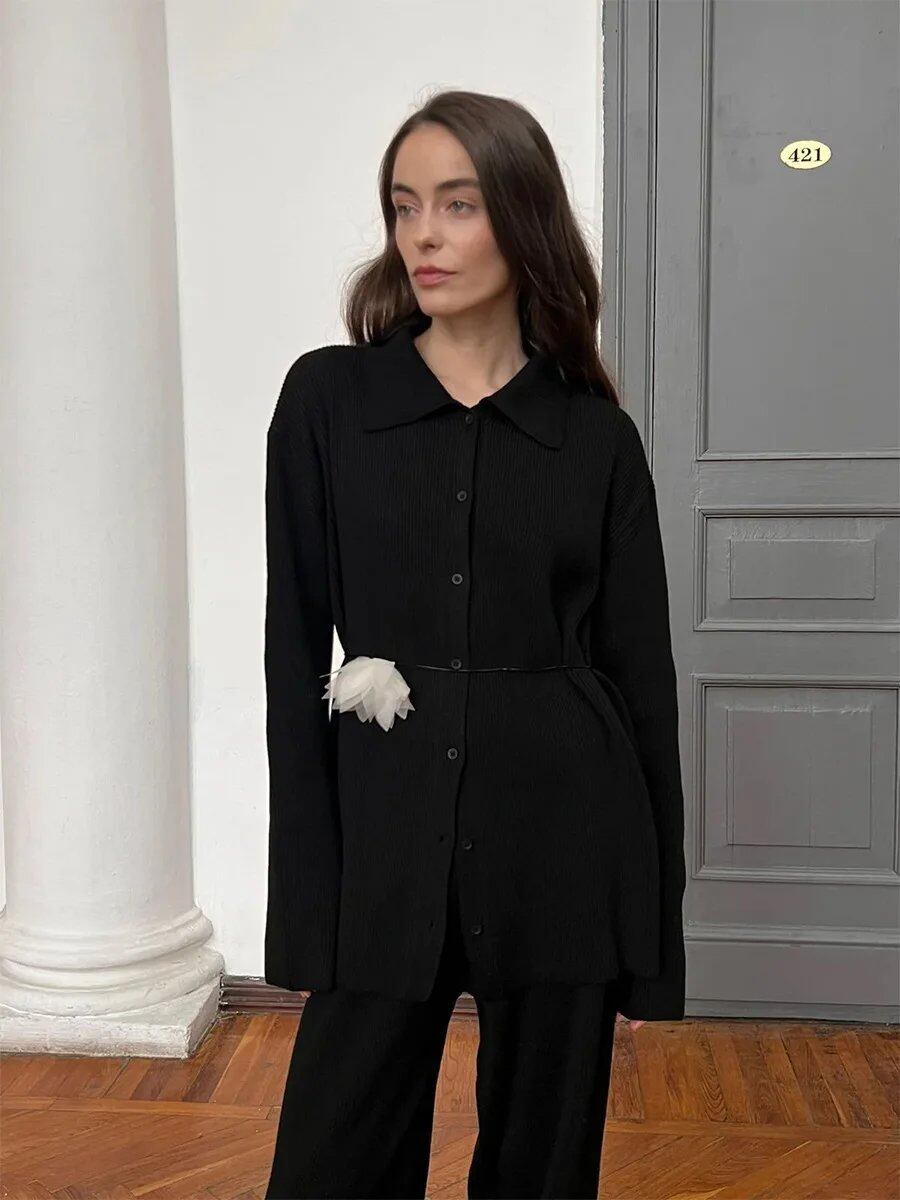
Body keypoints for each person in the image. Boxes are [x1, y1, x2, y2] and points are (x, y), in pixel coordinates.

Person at [262, 88, 687, 1200]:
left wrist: (654, 942)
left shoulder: (594, 437)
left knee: (542, 1173)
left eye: (458, 204)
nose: (425, 236)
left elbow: (642, 683)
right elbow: (290, 649)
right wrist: (304, 906)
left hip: (566, 839)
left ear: (523, 216)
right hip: (384, 841)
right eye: (405, 206)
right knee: (331, 1165)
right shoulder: (330, 399)